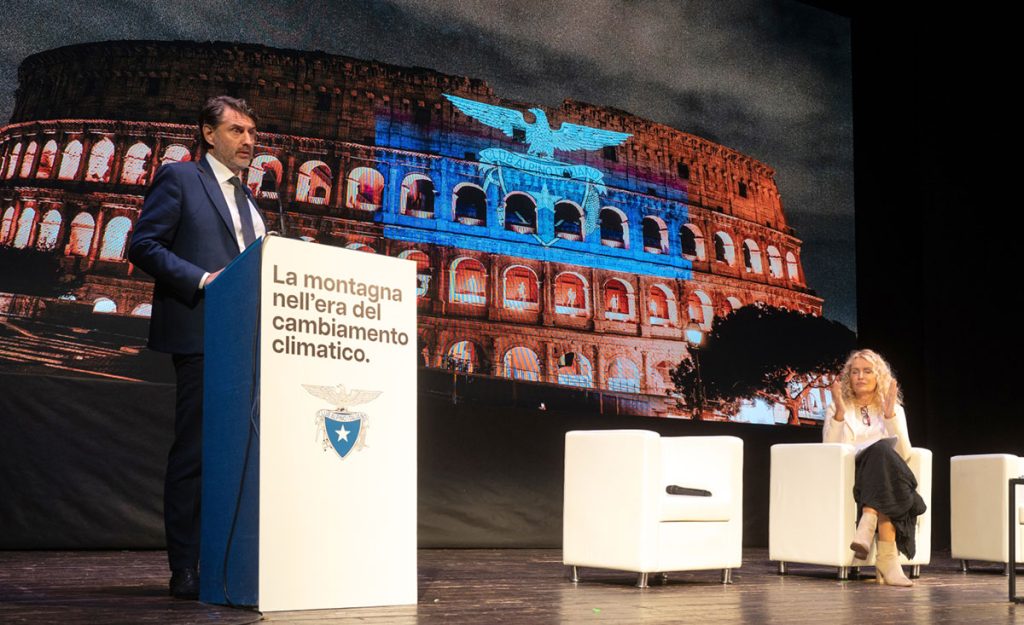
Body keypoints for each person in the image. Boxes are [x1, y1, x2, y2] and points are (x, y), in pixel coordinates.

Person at [128, 95, 266, 599]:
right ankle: (185, 567)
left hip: (251, 344)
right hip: (204, 334)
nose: (248, 140)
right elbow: (142, 244)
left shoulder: (252, 203)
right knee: (196, 454)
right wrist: (203, 279)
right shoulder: (182, 178)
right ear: (208, 134)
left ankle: (232, 558)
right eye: (236, 131)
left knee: (243, 454)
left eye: (252, 132)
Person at [824, 349, 926, 587]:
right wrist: (839, 414)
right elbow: (828, 453)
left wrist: (890, 415)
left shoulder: (892, 408)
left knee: (883, 456)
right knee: (882, 457)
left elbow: (905, 455)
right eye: (855, 372)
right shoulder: (838, 408)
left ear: (878, 375)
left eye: (867, 371)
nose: (860, 376)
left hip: (882, 478)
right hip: (851, 476)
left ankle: (869, 519)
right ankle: (888, 561)